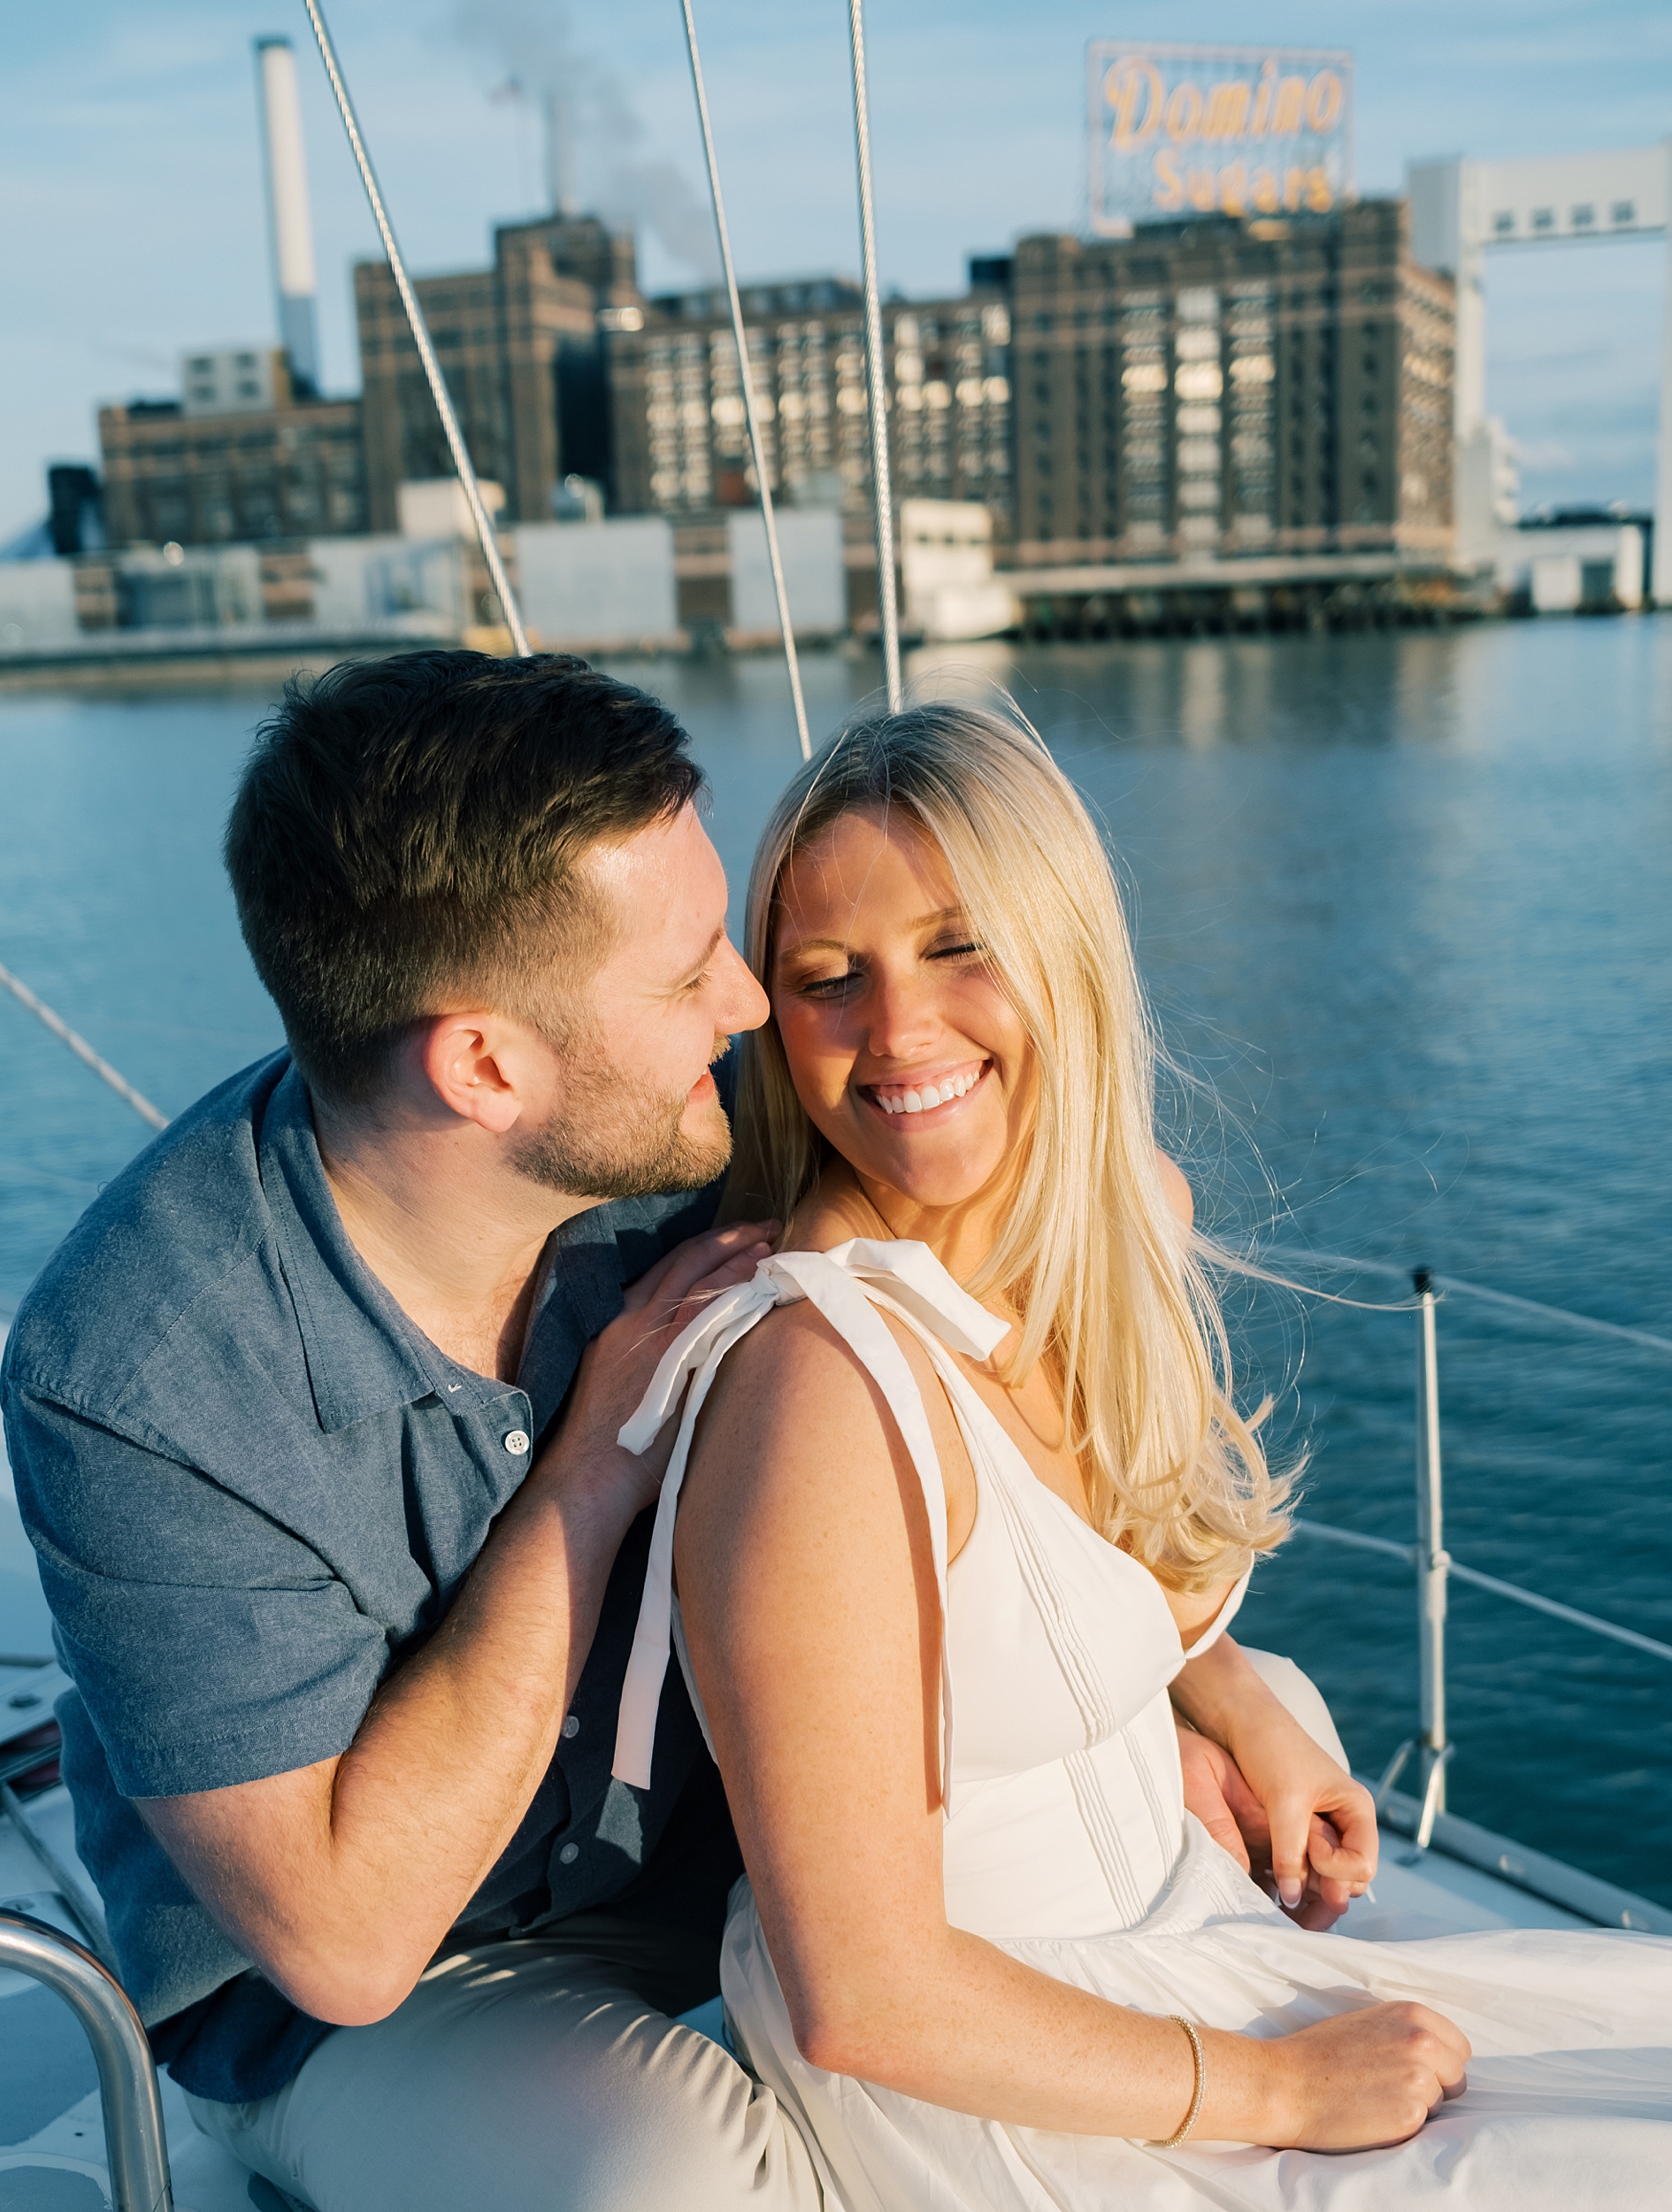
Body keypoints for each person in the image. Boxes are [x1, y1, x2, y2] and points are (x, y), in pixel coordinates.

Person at [612, 699, 1672, 2210]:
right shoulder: (819, 1398)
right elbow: (865, 1991)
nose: (899, 1032)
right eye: (828, 978)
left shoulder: (1115, 1231)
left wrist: (1238, 1697)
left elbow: (1055, 1578)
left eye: (960, 946)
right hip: (993, 2085)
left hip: (1183, 1942)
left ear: (1068, 952)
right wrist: (1286, 2091)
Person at [2, 649, 827, 2210]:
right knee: (678, 2184)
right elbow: (345, 1938)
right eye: (693, 968)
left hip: (728, 1865)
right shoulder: (132, 1378)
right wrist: (595, 1468)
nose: (747, 998)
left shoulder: (696, 1126)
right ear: (484, 1068)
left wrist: (1200, 1684)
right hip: (384, 1998)